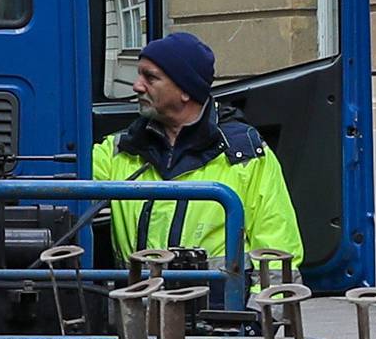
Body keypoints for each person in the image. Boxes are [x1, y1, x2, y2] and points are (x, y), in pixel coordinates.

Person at [92, 30, 303, 270]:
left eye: (150, 78)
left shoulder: (246, 156)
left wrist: (257, 308)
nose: (137, 86)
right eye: (139, 75)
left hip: (218, 305)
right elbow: (63, 185)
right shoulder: (119, 150)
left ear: (185, 91)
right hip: (136, 301)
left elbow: (277, 251)